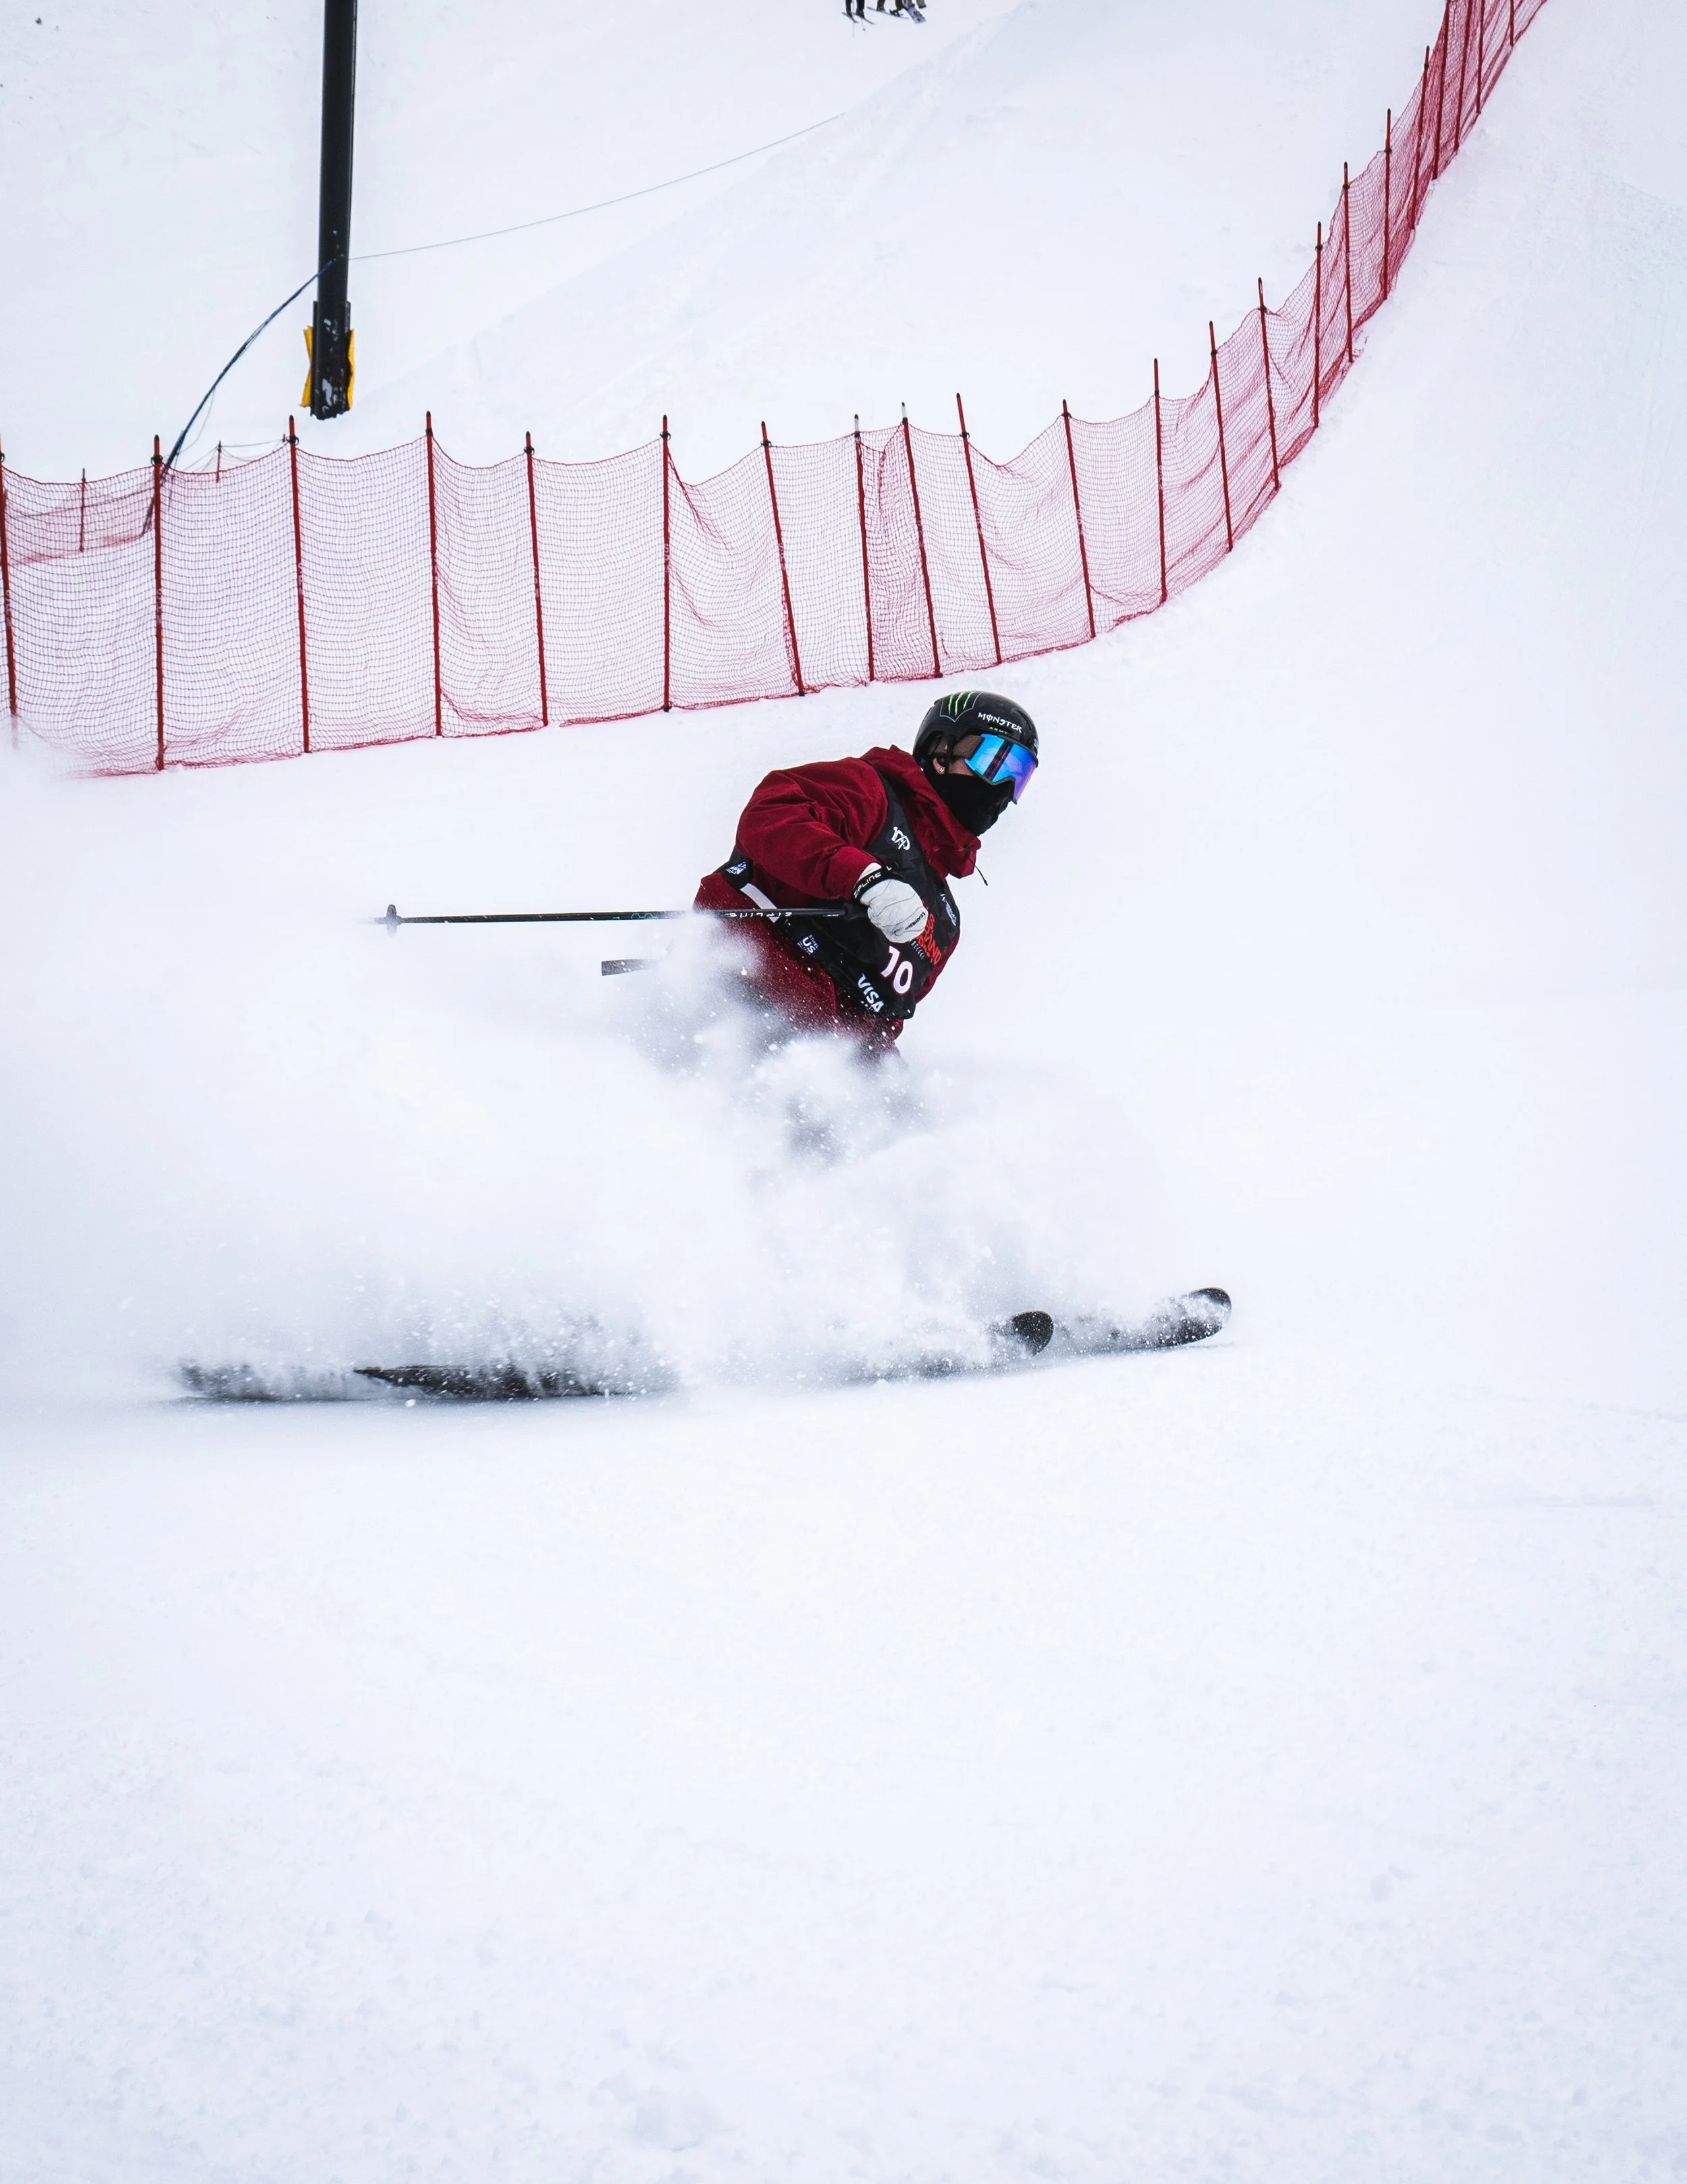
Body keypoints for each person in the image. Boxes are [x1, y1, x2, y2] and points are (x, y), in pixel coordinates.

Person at [694, 690, 1039, 1047]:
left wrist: (880, 1082)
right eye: (994, 763)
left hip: (808, 1060)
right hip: (735, 989)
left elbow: (884, 1021)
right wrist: (863, 877)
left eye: (1019, 775)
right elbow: (772, 815)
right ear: (942, 751)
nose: (1003, 787)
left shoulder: (945, 924)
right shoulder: (871, 793)